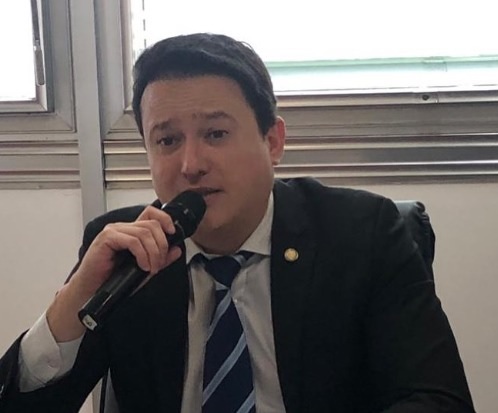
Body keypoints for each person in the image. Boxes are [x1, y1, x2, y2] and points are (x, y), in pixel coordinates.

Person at [0, 33, 474, 413]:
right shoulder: (127, 253)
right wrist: (73, 304)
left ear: (273, 141)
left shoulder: (363, 232)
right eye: (167, 141)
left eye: (216, 133)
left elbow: (438, 399)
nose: (191, 165)